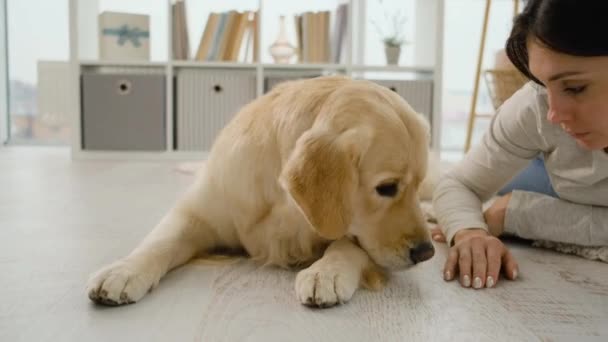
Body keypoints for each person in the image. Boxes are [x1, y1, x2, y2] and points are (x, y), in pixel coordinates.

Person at [432, 0, 608, 290]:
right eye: (542, 83)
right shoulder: (536, 106)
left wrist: (518, 213)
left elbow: (512, 212)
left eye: (575, 88)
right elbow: (458, 185)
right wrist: (469, 232)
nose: (553, 113)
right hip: (546, 171)